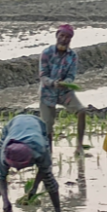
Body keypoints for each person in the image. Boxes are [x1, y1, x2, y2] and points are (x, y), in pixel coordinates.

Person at [0, 114, 61, 212]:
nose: (18, 170)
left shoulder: (40, 150)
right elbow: (1, 177)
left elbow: (44, 169)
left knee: (48, 177)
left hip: (38, 126)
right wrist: (5, 200)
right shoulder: (5, 153)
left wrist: (34, 188)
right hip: (13, 126)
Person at [38, 24, 87, 155]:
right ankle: (49, 154)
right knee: (48, 126)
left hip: (65, 92)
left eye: (68, 37)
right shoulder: (46, 53)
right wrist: (53, 83)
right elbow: (43, 75)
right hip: (47, 93)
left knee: (81, 111)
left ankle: (79, 147)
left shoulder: (72, 56)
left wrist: (66, 83)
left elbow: (71, 75)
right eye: (62, 36)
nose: (64, 39)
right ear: (57, 36)